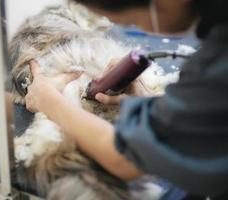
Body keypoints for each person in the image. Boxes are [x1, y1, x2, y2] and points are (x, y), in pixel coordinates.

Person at [25, 0, 228, 199]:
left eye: (133, 21)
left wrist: (48, 101)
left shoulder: (218, 64)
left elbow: (126, 159)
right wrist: (151, 103)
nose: (138, 28)